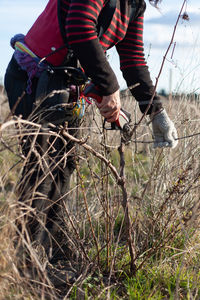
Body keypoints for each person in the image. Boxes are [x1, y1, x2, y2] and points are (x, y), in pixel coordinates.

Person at [4, 0, 178, 276]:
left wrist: (156, 112)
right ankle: (23, 265)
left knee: (65, 167)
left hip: (69, 84)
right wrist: (109, 88)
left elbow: (133, 60)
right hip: (33, 77)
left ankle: (54, 256)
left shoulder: (135, 6)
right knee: (42, 167)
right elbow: (80, 27)